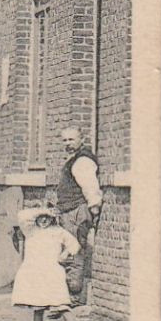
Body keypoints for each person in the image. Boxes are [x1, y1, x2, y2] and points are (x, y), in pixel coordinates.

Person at [12, 205, 90, 321]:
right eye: (40, 218)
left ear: (52, 218)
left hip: (53, 273)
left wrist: (65, 254)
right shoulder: (30, 231)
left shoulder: (58, 232)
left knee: (63, 306)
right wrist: (43, 209)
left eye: (46, 218)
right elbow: (22, 215)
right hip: (35, 272)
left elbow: (74, 245)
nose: (43, 220)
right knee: (38, 308)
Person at [57, 127, 103, 308]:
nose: (68, 143)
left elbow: (90, 187)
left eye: (71, 140)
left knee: (75, 251)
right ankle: (70, 295)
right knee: (70, 251)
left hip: (77, 210)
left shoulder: (83, 161)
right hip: (70, 210)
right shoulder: (74, 159)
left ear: (81, 139)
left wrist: (94, 208)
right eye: (65, 140)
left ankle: (75, 298)